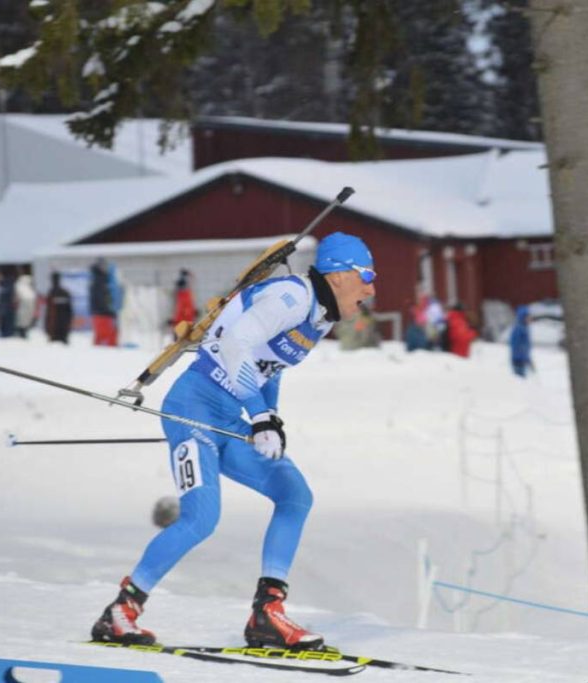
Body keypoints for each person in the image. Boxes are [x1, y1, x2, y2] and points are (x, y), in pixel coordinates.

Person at [91, 232, 377, 650]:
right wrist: (259, 417)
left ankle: (267, 613)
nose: (371, 288)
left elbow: (269, 366)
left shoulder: (321, 315)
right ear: (336, 276)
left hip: (228, 415)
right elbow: (233, 342)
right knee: (201, 518)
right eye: (365, 276)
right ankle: (121, 612)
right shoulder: (292, 297)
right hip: (193, 408)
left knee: (294, 494)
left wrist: (270, 417)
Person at [89, 258, 117, 346]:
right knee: (109, 336)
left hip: (99, 313)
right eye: (104, 266)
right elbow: (101, 299)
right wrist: (110, 311)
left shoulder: (99, 280)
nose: (106, 268)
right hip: (102, 314)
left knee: (100, 337)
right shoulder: (99, 281)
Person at [44, 272, 73, 344]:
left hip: (54, 328)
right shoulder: (65, 292)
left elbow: (48, 312)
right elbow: (70, 310)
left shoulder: (51, 293)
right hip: (63, 326)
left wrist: (47, 327)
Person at [14, 267, 39, 338]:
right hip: (29, 299)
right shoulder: (27, 281)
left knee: (23, 317)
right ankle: (24, 331)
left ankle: (23, 331)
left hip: (25, 300)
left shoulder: (19, 283)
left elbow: (17, 294)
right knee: (26, 317)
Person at [509, 305, 533, 377]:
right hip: (518, 360)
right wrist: (524, 357)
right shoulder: (519, 329)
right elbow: (516, 345)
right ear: (522, 317)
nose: (530, 319)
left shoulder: (524, 328)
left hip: (522, 359)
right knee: (520, 381)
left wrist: (528, 358)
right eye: (528, 317)